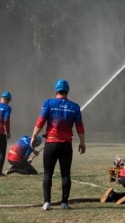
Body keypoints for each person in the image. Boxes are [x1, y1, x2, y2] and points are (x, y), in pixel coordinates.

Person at [30, 79, 86, 211]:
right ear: (67, 91)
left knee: (47, 173)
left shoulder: (48, 103)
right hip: (66, 145)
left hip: (51, 144)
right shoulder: (75, 107)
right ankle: (64, 203)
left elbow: (41, 120)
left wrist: (33, 136)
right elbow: (79, 126)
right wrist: (82, 142)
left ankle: (46, 203)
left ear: (55, 91)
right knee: (65, 174)